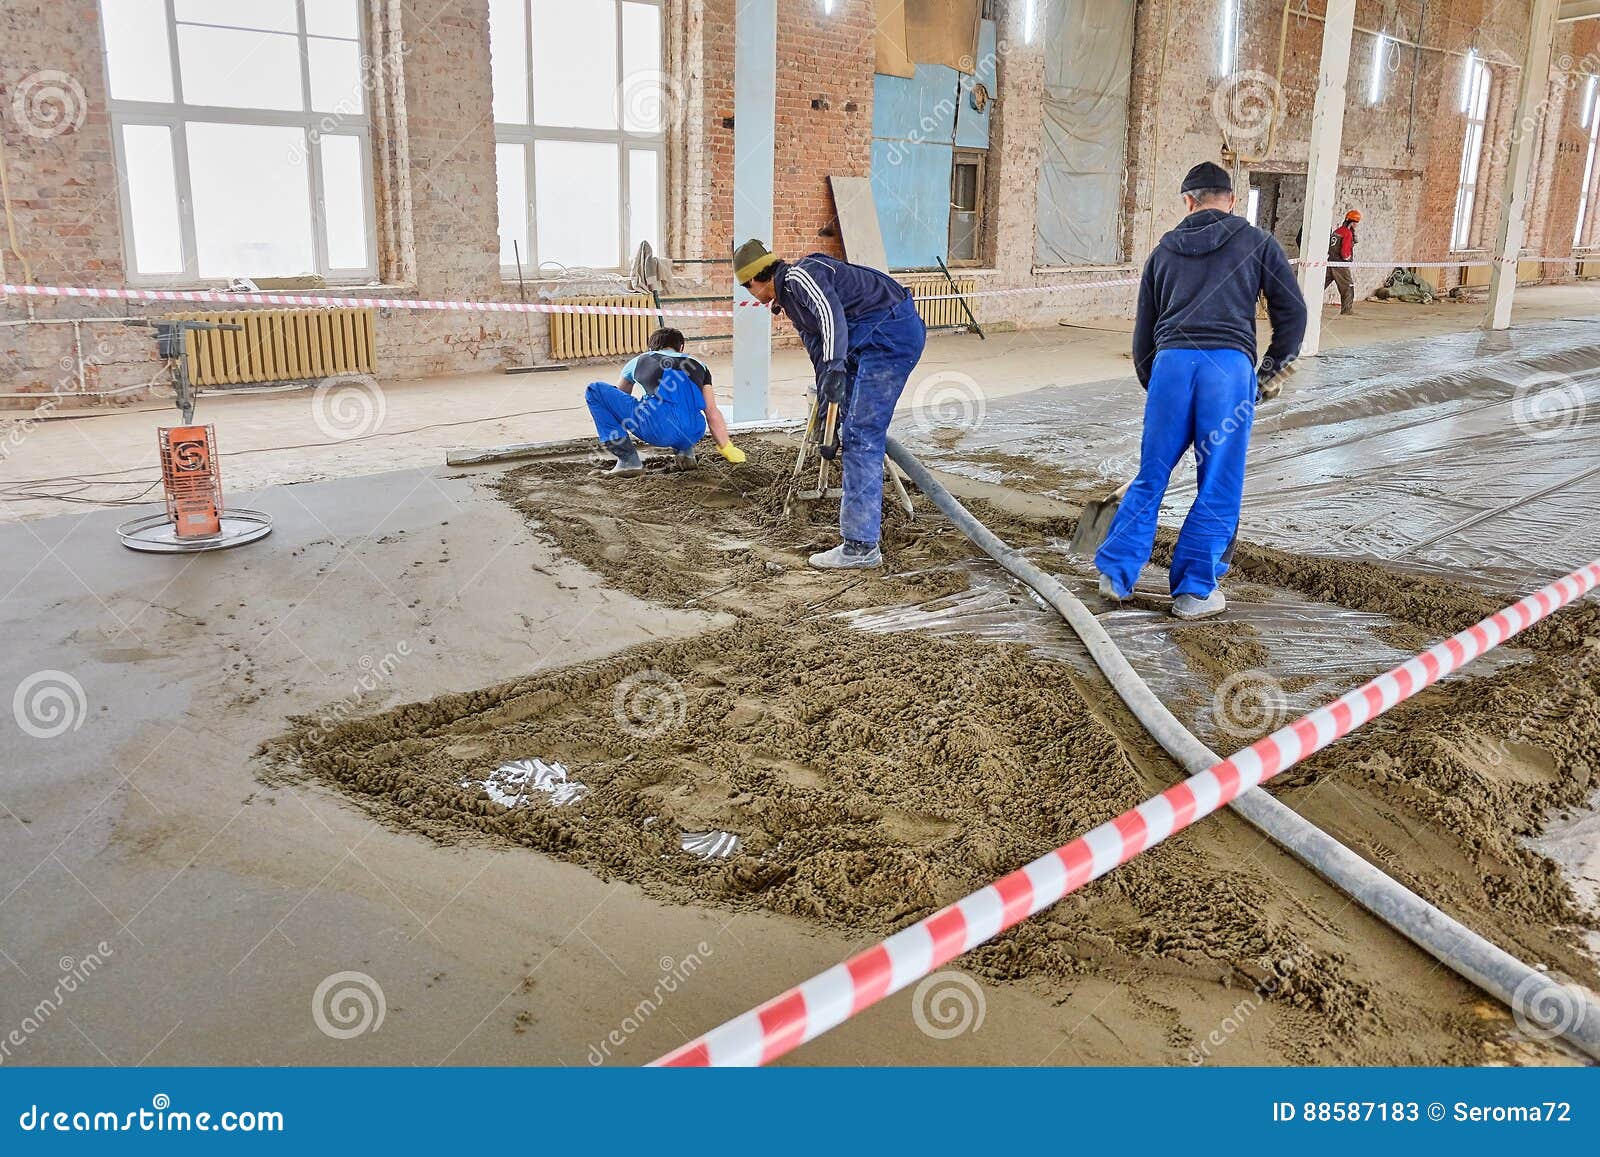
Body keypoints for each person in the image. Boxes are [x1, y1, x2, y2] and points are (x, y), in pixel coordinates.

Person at [1094, 161, 1307, 620]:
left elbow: (1143, 332)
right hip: (1227, 370)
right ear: (1230, 200)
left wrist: (1158, 387)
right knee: (1218, 480)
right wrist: (1269, 373)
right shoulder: (1258, 242)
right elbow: (1294, 313)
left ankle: (1115, 573)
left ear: (1188, 202)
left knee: (1152, 473)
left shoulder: (1163, 250)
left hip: (1171, 365)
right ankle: (1193, 590)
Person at [734, 238, 926, 570]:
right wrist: (827, 421)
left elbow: (830, 314)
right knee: (851, 426)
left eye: (746, 287)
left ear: (754, 280)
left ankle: (861, 546)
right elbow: (821, 361)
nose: (750, 295)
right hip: (863, 342)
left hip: (890, 335)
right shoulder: (793, 306)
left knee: (862, 433)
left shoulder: (799, 276)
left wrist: (837, 365)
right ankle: (861, 532)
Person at [583, 327, 745, 476]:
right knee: (684, 404)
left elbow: (619, 396)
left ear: (651, 348)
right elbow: (712, 412)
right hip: (693, 432)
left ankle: (628, 461)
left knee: (595, 390)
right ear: (681, 348)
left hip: (656, 430)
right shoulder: (700, 365)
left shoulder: (640, 360)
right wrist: (727, 448)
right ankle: (686, 454)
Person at [1327, 210, 1360, 315]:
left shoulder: (1338, 230)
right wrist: (1348, 258)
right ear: (1353, 222)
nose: (1356, 225)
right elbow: (1345, 253)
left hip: (1330, 262)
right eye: (1356, 223)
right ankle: (1347, 310)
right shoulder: (1348, 233)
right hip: (1340, 266)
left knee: (1319, 285)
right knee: (1348, 287)